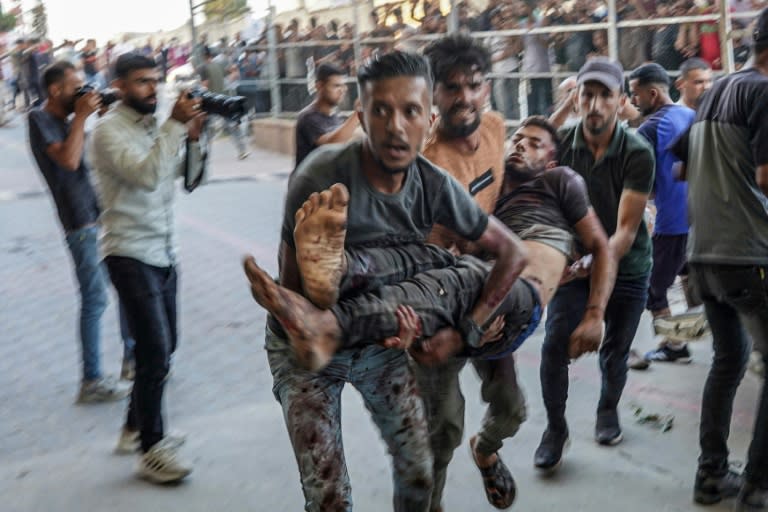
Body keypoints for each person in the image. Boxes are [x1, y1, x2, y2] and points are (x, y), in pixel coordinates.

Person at [247, 50, 528, 512]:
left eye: (410, 112)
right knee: (329, 497)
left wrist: (466, 329)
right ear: (361, 116)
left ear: (428, 120)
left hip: (379, 337)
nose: (396, 126)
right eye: (381, 111)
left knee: (419, 468)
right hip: (305, 342)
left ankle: (341, 277)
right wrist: (313, 300)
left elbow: (512, 251)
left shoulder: (434, 184)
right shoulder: (320, 175)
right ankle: (332, 282)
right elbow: (289, 289)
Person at [90, 52, 206, 484]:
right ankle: (150, 449)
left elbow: (187, 178)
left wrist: (195, 136)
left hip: (163, 249)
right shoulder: (105, 131)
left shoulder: (154, 127)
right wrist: (176, 126)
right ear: (119, 86)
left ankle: (133, 426)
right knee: (154, 350)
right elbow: (145, 175)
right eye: (141, 81)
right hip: (127, 251)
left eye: (156, 80)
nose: (152, 89)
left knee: (166, 344)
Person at [540, 57, 654, 472]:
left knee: (615, 351)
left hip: (627, 264)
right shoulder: (562, 146)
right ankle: (555, 428)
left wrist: (596, 280)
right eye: (587, 94)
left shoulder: (637, 151)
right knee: (554, 344)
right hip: (574, 266)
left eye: (605, 95)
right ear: (577, 98)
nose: (595, 104)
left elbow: (625, 231)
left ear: (621, 101)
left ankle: (608, 410)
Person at [677, 8, 768, 510]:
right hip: (747, 254)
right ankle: (757, 484)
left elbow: (681, 170)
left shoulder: (715, 91)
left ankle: (711, 475)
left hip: (704, 255)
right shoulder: (763, 92)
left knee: (729, 359)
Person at [27, 61, 132, 403]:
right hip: (79, 224)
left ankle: (133, 360)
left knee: (127, 284)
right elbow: (69, 160)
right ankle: (91, 381)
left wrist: (98, 116)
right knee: (95, 298)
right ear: (56, 90)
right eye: (76, 87)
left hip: (96, 217)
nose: (83, 92)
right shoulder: (40, 119)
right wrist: (83, 118)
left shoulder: (67, 120)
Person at [626, 63, 698, 368]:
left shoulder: (649, 128)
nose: (633, 101)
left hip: (673, 222)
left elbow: (644, 185)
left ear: (652, 93)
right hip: (700, 219)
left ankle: (674, 345)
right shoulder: (691, 115)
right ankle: (717, 337)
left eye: (636, 94)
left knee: (654, 289)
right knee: (689, 276)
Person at [293, 63, 359, 169]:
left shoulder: (335, 114)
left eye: (343, 86)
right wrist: (358, 114)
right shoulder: (308, 117)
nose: (342, 90)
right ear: (319, 86)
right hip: (309, 183)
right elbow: (330, 145)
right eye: (336, 86)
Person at [199, 46, 249, 160]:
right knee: (231, 125)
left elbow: (205, 85)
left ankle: (203, 152)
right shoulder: (218, 65)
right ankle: (242, 150)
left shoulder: (203, 68)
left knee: (206, 129)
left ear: (202, 56)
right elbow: (233, 71)